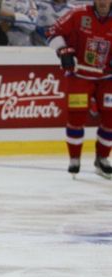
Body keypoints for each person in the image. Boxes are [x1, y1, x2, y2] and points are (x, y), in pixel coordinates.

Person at [47, 0, 112, 179]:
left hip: (107, 79)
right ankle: (74, 158)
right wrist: (63, 51)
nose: (103, 2)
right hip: (79, 77)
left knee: (110, 119)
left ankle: (103, 158)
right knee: (76, 117)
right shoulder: (78, 13)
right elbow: (52, 32)